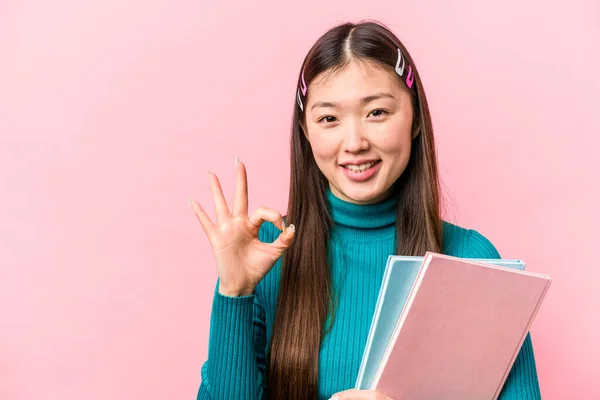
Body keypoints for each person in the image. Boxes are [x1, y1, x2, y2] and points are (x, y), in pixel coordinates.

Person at [190, 20, 542, 400]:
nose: (354, 142)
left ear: (415, 118)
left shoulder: (472, 262)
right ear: (306, 132)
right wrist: (235, 292)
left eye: (377, 113)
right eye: (329, 119)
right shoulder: (265, 258)